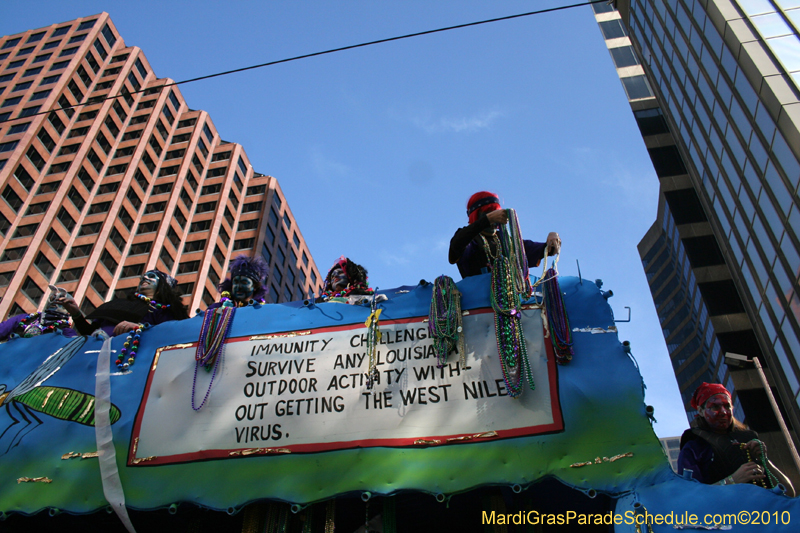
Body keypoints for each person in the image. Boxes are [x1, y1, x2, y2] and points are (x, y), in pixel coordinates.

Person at [678, 382, 793, 493]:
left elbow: (788, 492)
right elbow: (690, 496)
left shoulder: (748, 439)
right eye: (715, 407)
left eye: (727, 406)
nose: (723, 412)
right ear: (701, 411)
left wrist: (765, 460)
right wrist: (732, 480)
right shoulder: (694, 448)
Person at [448, 191, 561, 279]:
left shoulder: (506, 240)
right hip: (478, 302)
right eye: (488, 214)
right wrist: (486, 221)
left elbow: (533, 249)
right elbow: (457, 244)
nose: (494, 220)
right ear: (477, 216)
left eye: (496, 213)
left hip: (512, 302)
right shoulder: (470, 239)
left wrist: (552, 242)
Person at [58, 269, 189, 337]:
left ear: (163, 286)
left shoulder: (165, 310)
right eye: (144, 276)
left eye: (152, 277)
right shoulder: (117, 303)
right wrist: (75, 313)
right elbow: (89, 331)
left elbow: (169, 335)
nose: (145, 278)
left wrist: (139, 328)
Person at [0, 286, 77, 340]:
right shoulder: (25, 318)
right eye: (53, 299)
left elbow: (75, 348)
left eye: (61, 302)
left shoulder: (66, 332)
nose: (56, 302)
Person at [317, 256, 384, 304]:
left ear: (351, 276)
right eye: (332, 276)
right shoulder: (322, 300)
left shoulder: (364, 296)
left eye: (340, 273)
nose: (336, 276)